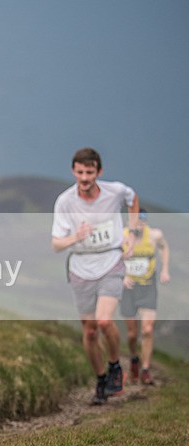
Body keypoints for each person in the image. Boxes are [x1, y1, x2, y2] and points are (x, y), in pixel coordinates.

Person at [51, 147, 139, 405]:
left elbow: (133, 199)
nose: (85, 177)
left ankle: (115, 367)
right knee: (89, 332)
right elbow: (56, 244)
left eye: (89, 172)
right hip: (80, 268)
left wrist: (131, 233)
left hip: (111, 261)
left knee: (103, 321)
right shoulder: (65, 202)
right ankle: (101, 379)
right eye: (80, 172)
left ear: (99, 172)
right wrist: (76, 237)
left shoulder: (115, 191)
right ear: (73, 171)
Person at [121, 208, 170, 385]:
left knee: (147, 329)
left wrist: (165, 269)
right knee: (132, 334)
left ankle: (146, 369)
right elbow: (112, 258)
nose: (139, 225)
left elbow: (164, 247)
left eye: (142, 222)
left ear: (145, 222)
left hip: (148, 287)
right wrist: (122, 276)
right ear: (129, 222)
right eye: (135, 221)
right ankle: (134, 358)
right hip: (128, 288)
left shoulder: (155, 235)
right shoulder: (121, 236)